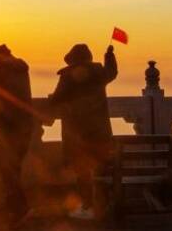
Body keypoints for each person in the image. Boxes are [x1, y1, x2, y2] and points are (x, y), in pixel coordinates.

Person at [48, 44, 117, 220]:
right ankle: (103, 206)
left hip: (78, 133)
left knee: (82, 172)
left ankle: (88, 206)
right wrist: (109, 55)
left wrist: (50, 100)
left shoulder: (69, 75)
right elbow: (112, 72)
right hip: (100, 132)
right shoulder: (99, 73)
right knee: (100, 170)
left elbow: (58, 98)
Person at [0, 44, 33, 228]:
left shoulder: (1, 69)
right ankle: (16, 207)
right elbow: (7, 84)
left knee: (6, 168)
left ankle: (19, 210)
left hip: (9, 127)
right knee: (14, 168)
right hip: (25, 125)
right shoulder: (19, 67)